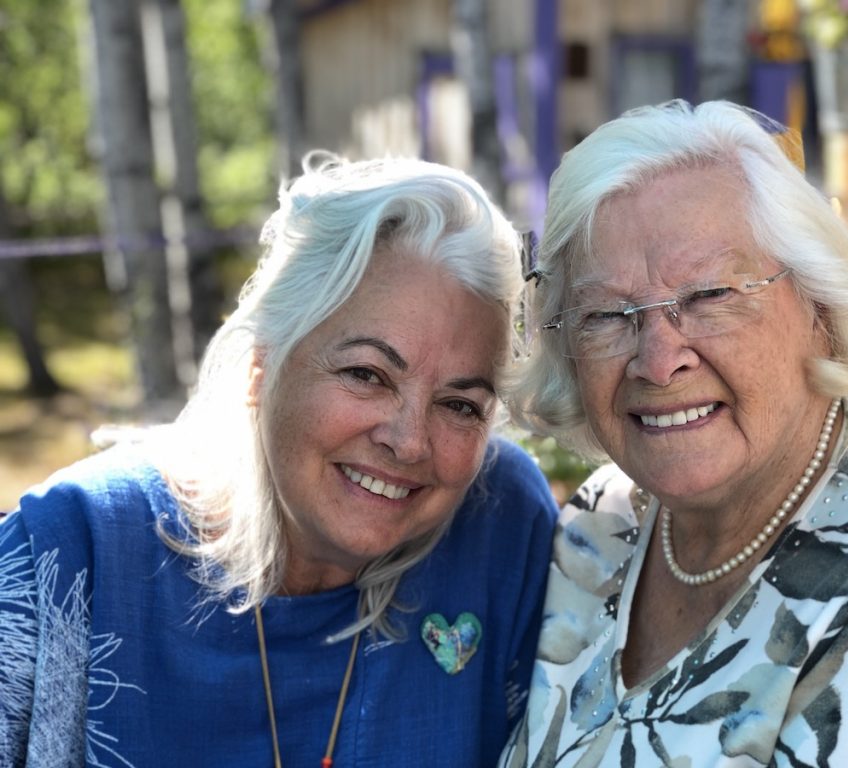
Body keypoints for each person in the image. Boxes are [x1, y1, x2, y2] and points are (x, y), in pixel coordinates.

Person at [500, 100, 848, 767]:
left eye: (710, 297)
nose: (659, 361)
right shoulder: (604, 521)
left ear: (819, 306)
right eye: (607, 313)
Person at [0, 153, 559, 767]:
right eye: (367, 374)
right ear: (263, 365)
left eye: (459, 405)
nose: (409, 442)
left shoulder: (503, 526)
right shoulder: (71, 555)